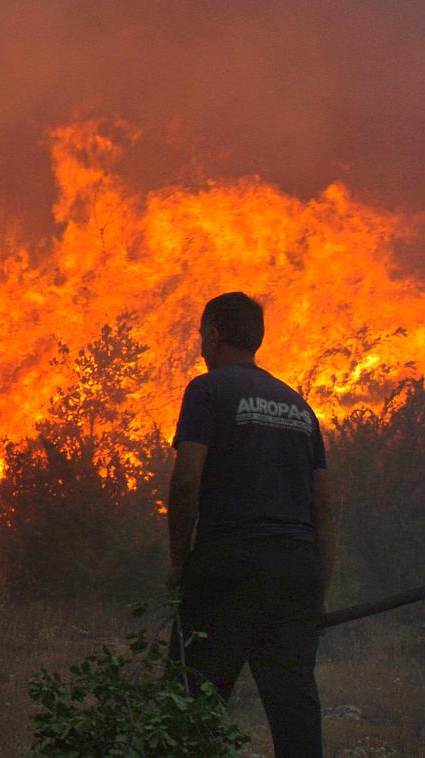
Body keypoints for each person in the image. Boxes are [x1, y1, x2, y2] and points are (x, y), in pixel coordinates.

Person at [167, 291, 336, 758]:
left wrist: (181, 563)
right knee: (296, 716)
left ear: (214, 336)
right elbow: (323, 505)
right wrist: (317, 591)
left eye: (203, 337)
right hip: (295, 571)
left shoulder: (208, 390)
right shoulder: (300, 407)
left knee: (187, 708)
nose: (201, 348)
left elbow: (186, 480)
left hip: (230, 563)